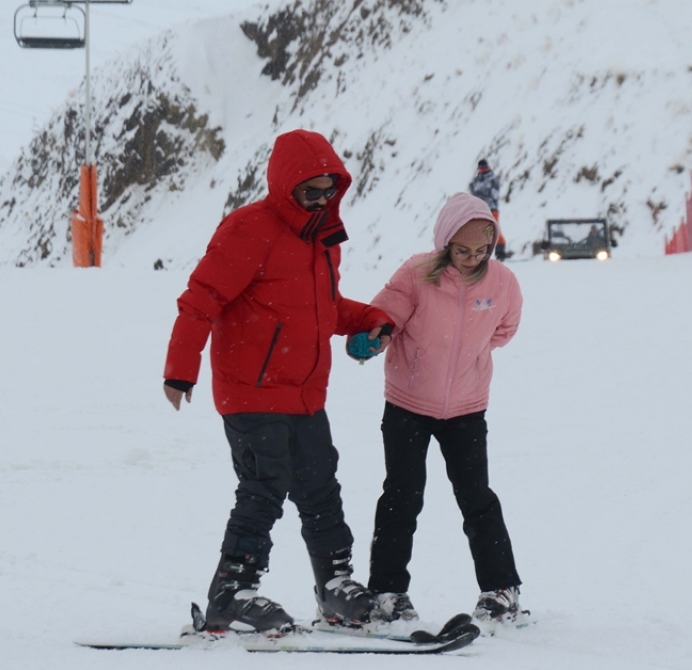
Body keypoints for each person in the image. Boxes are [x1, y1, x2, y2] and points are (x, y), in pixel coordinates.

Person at [162, 129, 395, 635]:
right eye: (311, 191)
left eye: (329, 190)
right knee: (263, 488)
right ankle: (231, 593)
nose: (320, 200)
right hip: (251, 391)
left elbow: (322, 310)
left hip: (306, 394)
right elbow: (200, 299)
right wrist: (181, 369)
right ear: (284, 186)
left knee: (320, 490)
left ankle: (335, 587)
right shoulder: (249, 229)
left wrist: (370, 318)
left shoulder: (323, 241)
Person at [363, 191, 526, 626]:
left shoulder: (502, 283)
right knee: (401, 497)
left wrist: (467, 358)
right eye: (462, 250)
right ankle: (387, 593)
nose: (472, 258)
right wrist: (375, 336)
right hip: (408, 405)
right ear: (444, 243)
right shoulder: (417, 274)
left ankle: (501, 591)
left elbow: (504, 331)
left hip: (467, 408)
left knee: (477, 499)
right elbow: (385, 314)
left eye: (481, 250)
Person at [469, 159, 510, 261]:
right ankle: (480, 252)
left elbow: (495, 194)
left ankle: (500, 251)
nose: (483, 169)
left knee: (494, 229)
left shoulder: (492, 179)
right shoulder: (476, 180)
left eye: (484, 167)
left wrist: (483, 195)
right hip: (479, 209)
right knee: (480, 230)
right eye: (481, 167)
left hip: (491, 208)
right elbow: (472, 194)